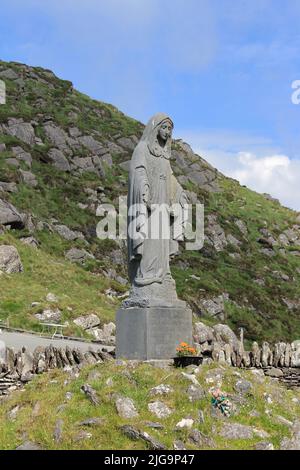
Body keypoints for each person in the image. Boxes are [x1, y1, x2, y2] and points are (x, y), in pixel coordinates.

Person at [125, 113, 187, 308]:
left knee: (161, 240)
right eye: (164, 128)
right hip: (149, 205)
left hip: (163, 204)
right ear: (155, 128)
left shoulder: (164, 155)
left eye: (170, 129)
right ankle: (146, 276)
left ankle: (162, 275)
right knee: (150, 238)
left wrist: (179, 192)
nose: (167, 132)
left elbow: (170, 179)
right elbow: (138, 170)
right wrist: (143, 186)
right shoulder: (142, 149)